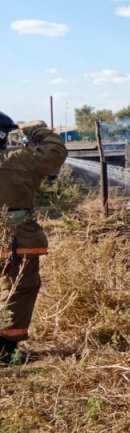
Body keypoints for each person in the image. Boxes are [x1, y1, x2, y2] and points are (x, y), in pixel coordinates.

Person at [0, 114, 67, 365]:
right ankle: (5, 348)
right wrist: (36, 130)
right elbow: (55, 151)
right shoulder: (21, 159)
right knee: (20, 288)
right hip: (15, 238)